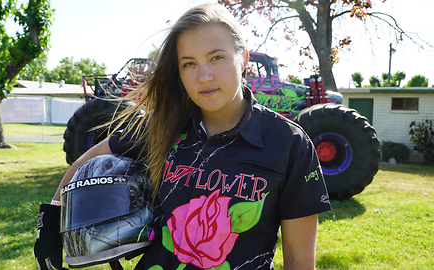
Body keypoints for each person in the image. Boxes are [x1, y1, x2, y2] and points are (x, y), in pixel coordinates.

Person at [34, 3, 331, 270]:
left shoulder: (289, 143)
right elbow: (85, 162)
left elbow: (299, 260)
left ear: (243, 59)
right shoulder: (163, 126)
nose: (204, 76)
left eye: (217, 58)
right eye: (188, 63)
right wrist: (49, 218)